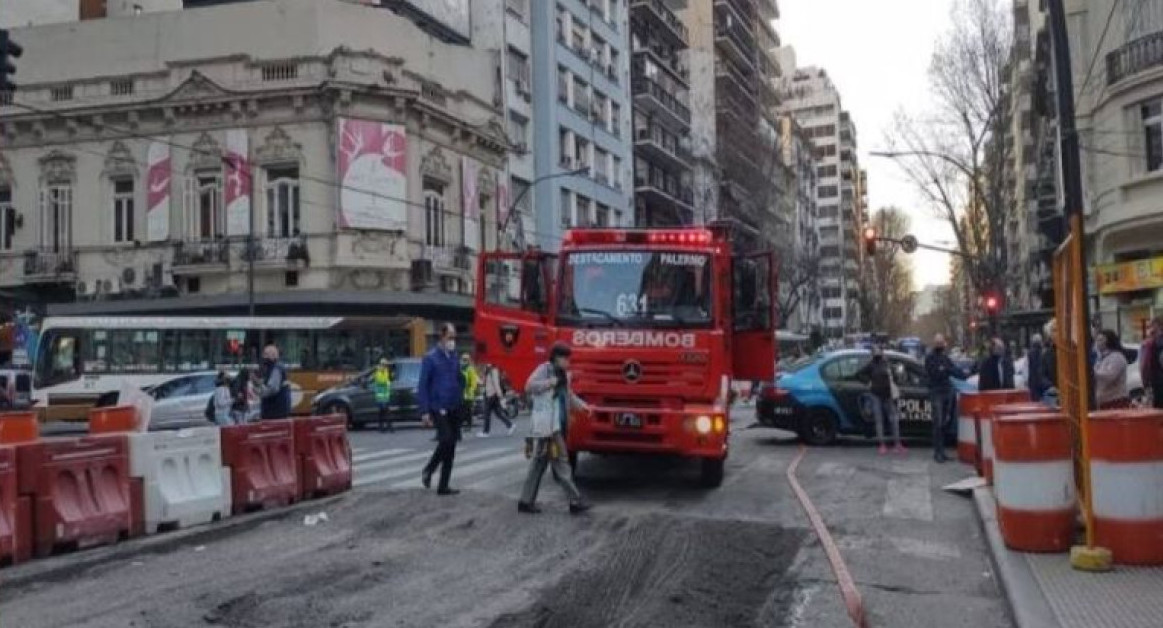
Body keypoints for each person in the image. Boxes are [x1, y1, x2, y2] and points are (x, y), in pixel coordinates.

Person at [518, 342, 590, 515]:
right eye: (566, 358)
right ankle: (575, 500)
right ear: (557, 358)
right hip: (549, 427)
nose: (568, 362)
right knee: (562, 462)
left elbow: (568, 396)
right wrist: (550, 383)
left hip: (557, 425)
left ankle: (525, 501)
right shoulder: (545, 370)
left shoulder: (564, 375)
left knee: (539, 464)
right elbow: (529, 386)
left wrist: (583, 406)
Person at [418, 323, 464, 496]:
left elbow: (458, 379)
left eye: (454, 338)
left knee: (451, 447)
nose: (453, 341)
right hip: (438, 407)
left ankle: (443, 485)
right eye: (450, 337)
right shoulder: (431, 358)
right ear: (442, 337)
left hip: (454, 406)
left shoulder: (454, 357)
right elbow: (422, 386)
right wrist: (424, 411)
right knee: (446, 440)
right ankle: (429, 469)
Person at [925, 334, 968, 463]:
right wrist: (946, 370)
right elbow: (935, 373)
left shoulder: (944, 358)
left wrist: (965, 374)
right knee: (938, 424)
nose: (941, 345)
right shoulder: (930, 358)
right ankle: (938, 452)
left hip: (945, 392)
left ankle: (942, 452)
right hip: (936, 392)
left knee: (943, 424)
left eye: (941, 343)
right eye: (938, 343)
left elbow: (953, 370)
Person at [856, 346, 905, 455]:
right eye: (876, 351)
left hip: (888, 395)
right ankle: (882, 444)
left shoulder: (887, 363)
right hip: (876, 395)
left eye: (879, 351)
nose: (878, 353)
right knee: (879, 421)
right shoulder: (871, 365)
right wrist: (868, 382)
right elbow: (859, 374)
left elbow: (895, 377)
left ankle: (897, 444)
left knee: (894, 420)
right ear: (873, 354)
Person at [1094, 329, 1130, 410]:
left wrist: (1093, 374)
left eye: (1100, 340)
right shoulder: (1101, 358)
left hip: (1116, 400)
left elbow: (1110, 376)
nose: (1097, 343)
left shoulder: (1116, 357)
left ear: (1108, 341)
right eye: (1097, 340)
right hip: (1104, 401)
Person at [256, 344, 292, 420]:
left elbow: (272, 389)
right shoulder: (277, 367)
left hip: (274, 411)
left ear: (273, 356)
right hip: (279, 410)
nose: (264, 357)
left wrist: (260, 389)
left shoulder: (276, 369)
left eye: (266, 355)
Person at [479, 363, 515, 437]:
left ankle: (485, 432)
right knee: (498, 413)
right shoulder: (488, 370)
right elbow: (484, 382)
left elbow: (496, 384)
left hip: (492, 394)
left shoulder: (494, 370)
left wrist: (500, 395)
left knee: (487, 413)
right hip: (488, 393)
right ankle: (510, 425)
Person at [1141, 317, 1163, 409]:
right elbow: (1144, 364)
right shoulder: (1148, 343)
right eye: (1149, 326)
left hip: (1159, 380)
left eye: (1152, 325)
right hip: (1153, 380)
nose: (1150, 328)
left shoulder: (1157, 342)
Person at [372, 358, 393, 433]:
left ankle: (385, 427)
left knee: (384, 411)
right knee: (383, 411)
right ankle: (384, 427)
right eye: (385, 365)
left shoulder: (385, 371)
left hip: (385, 394)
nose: (386, 366)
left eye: (386, 365)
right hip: (381, 395)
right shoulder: (378, 372)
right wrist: (387, 383)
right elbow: (381, 381)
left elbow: (388, 380)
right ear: (382, 364)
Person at [460, 353, 479, 430]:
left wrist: (471, 390)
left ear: (468, 360)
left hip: (468, 393)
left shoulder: (470, 369)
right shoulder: (460, 368)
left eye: (466, 359)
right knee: (462, 409)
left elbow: (474, 381)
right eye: (463, 359)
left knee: (468, 411)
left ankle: (469, 425)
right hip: (461, 392)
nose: (464, 360)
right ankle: (462, 423)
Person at [1027, 334, 1046, 401]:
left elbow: (1030, 369)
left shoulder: (1030, 353)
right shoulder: (1043, 352)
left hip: (1034, 382)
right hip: (1042, 380)